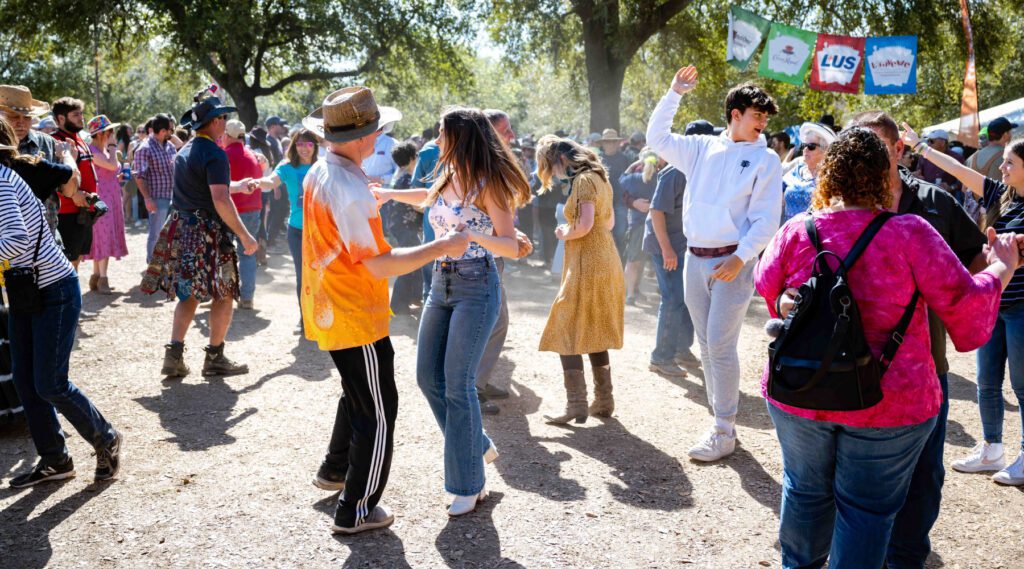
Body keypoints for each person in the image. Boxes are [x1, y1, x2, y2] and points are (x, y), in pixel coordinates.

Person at [755, 126, 1015, 569]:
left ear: (829, 176)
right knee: (866, 512)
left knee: (804, 491)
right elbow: (967, 311)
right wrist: (1001, 268)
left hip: (801, 388)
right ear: (884, 175)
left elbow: (766, 284)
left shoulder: (799, 228)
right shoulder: (910, 232)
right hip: (892, 401)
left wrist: (786, 298)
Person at [299, 86, 472, 534]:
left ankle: (334, 470)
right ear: (361, 137)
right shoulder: (349, 186)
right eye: (375, 131)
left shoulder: (322, 170)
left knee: (356, 392)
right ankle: (355, 509)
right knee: (377, 410)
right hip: (354, 309)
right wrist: (440, 246)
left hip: (330, 305)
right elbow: (377, 263)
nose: (379, 140)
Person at [823, 111, 990, 569]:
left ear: (899, 150)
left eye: (878, 147)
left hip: (922, 367)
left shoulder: (934, 203)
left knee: (924, 476)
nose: (869, 159)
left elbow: (976, 265)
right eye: (861, 149)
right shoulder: (834, 208)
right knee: (850, 478)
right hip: (844, 367)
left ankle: (907, 556)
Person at [376, 106, 530, 515]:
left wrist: (474, 233)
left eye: (443, 133)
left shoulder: (488, 183)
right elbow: (426, 199)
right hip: (439, 283)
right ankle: (476, 445)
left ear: (458, 137)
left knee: (457, 384)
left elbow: (511, 245)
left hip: (477, 284)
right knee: (428, 378)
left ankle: (469, 484)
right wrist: (389, 193)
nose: (437, 139)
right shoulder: (447, 174)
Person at [646, 66, 782, 461]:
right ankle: (721, 423)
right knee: (706, 346)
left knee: (720, 346)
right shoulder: (702, 147)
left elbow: (765, 220)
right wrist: (674, 93)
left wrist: (741, 259)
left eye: (766, 118)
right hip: (695, 259)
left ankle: (723, 429)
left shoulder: (766, 159)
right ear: (735, 114)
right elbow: (657, 138)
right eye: (758, 115)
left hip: (732, 264)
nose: (763, 123)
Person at [902, 123, 1024, 487]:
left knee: (1021, 385)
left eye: (1009, 163)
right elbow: (960, 172)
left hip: (1020, 309)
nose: (1001, 168)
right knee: (986, 382)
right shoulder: (1002, 196)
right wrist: (921, 147)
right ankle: (992, 448)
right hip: (995, 302)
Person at [1, 139, 122, 488]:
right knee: (26, 380)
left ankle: (106, 436)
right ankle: (56, 459)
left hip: (54, 290)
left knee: (50, 383)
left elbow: (18, 239)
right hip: (28, 290)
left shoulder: (1, 182)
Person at [141, 90, 258, 378]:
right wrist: (245, 235)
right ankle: (215, 357)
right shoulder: (215, 154)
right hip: (207, 233)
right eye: (224, 117)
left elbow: (204, 190)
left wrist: (237, 186)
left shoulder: (184, 152)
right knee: (224, 290)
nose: (225, 121)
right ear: (216, 122)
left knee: (188, 294)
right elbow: (218, 199)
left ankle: (174, 355)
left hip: (183, 229)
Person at [534, 135, 625, 425]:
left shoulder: (584, 181)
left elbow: (583, 226)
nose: (554, 172)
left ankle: (577, 405)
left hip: (589, 262)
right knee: (594, 327)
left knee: (565, 327)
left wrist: (564, 232)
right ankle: (604, 400)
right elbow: (607, 222)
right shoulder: (601, 177)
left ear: (561, 159)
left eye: (552, 165)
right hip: (605, 257)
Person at [644, 120, 711, 378]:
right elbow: (656, 211)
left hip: (685, 247)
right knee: (672, 299)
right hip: (666, 246)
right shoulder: (674, 172)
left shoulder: (701, 169)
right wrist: (667, 250)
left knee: (687, 300)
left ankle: (682, 349)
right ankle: (661, 357)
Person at [251, 127, 318, 325]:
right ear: (294, 146)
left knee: (320, 275)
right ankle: (305, 319)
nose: (304, 148)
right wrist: (256, 182)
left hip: (321, 231)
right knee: (302, 275)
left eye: (308, 144)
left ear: (315, 146)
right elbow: (271, 182)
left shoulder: (322, 166)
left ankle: (319, 316)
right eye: (300, 144)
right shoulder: (287, 167)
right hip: (297, 230)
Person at [80, 115, 128, 294]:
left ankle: (96, 276)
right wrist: (114, 147)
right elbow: (111, 166)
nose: (112, 134)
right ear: (100, 134)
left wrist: (117, 177)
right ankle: (102, 279)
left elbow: (110, 171)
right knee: (103, 237)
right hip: (102, 201)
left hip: (110, 198)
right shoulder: (93, 151)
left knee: (102, 237)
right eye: (109, 131)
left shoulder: (103, 151)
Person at [51, 97, 100, 269]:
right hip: (66, 212)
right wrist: (75, 194)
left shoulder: (79, 139)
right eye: (75, 115)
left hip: (83, 212)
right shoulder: (55, 141)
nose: (81, 118)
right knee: (67, 264)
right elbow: (52, 176)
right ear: (61, 118)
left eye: (81, 113)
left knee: (76, 260)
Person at [222, 119, 264, 310]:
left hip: (229, 211)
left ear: (227, 136)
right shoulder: (253, 155)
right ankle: (247, 297)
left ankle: (224, 296)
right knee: (248, 253)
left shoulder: (223, 155)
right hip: (253, 209)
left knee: (225, 253)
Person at [382, 139, 425, 315]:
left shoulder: (400, 175)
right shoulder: (409, 179)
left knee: (414, 261)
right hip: (405, 226)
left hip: (400, 225)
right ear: (413, 157)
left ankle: (413, 297)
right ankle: (398, 304)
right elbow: (416, 205)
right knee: (409, 262)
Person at [619, 147, 662, 304]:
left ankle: (630, 295)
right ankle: (663, 293)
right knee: (657, 260)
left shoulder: (633, 178)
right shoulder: (662, 177)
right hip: (659, 225)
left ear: (641, 161)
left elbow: (620, 182)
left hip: (638, 224)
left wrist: (632, 165)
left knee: (633, 261)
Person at [133, 114, 177, 263]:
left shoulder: (169, 146)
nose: (173, 132)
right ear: (163, 131)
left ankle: (164, 268)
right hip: (157, 198)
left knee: (171, 235)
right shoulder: (144, 148)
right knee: (156, 235)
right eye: (171, 130)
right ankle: (153, 269)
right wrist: (147, 198)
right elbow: (139, 176)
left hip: (173, 197)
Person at [782, 122, 837, 223]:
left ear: (825, 150)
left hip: (816, 234)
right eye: (804, 145)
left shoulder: (831, 176)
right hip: (790, 234)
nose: (805, 149)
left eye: (811, 146)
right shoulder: (795, 171)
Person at [595, 129, 631, 256]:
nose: (610, 144)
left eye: (613, 142)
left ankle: (620, 262)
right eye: (607, 142)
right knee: (604, 234)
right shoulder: (597, 160)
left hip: (620, 202)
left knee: (621, 234)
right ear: (603, 144)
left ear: (617, 143)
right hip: (602, 203)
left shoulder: (625, 159)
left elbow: (630, 179)